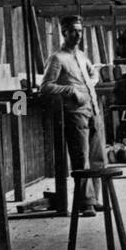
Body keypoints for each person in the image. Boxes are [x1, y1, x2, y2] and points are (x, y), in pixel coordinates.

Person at [40, 14, 107, 217]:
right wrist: (70, 90)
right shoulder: (57, 58)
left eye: (80, 31)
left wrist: (93, 80)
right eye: (73, 31)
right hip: (75, 112)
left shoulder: (82, 56)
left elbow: (93, 73)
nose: (77, 35)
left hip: (93, 109)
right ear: (64, 32)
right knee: (81, 158)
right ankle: (84, 202)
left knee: (98, 157)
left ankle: (95, 198)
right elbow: (46, 86)